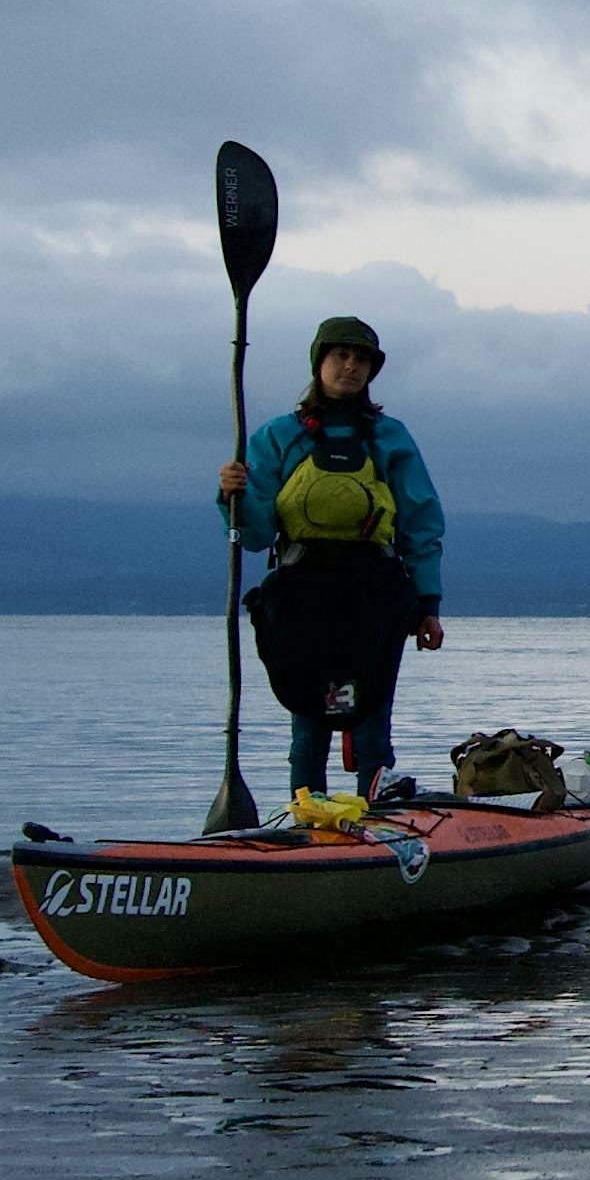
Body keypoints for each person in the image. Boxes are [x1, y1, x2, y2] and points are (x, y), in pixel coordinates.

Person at [218, 314, 446, 816]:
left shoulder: (390, 437)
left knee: (370, 722)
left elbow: (421, 522)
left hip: (376, 594)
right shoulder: (280, 436)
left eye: (361, 358)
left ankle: (377, 828)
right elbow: (255, 535)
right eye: (340, 355)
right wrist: (230, 496)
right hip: (302, 593)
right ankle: (309, 822)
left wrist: (428, 603)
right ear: (319, 362)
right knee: (310, 721)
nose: (351, 366)